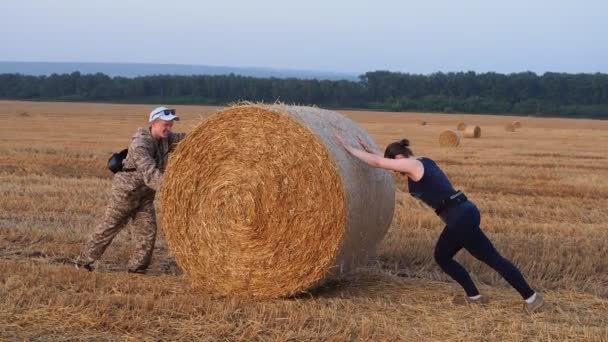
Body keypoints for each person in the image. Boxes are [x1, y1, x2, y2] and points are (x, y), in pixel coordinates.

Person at [335, 134, 545, 313]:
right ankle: (474, 297)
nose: (397, 172)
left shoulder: (413, 165)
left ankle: (531, 298)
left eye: (396, 164)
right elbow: (384, 161)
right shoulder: (422, 161)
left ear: (399, 157)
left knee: (492, 259)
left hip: (459, 217)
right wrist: (367, 147)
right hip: (462, 213)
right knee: (442, 256)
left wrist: (348, 148)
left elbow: (381, 163)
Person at [75, 106, 186, 274]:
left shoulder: (165, 139)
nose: (169, 128)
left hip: (145, 195)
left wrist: (216, 134)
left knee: (147, 232)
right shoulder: (140, 143)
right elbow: (149, 172)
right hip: (126, 193)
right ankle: (84, 262)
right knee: (109, 227)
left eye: (171, 125)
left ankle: (137, 269)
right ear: (154, 123)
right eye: (166, 124)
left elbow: (190, 141)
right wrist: (173, 190)